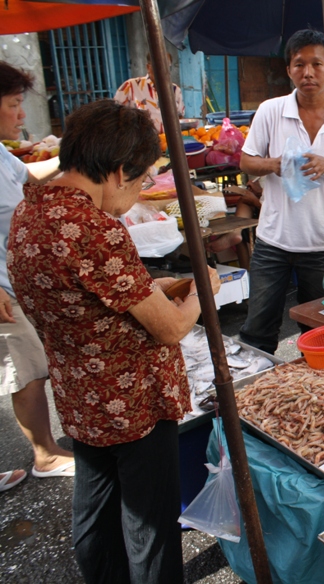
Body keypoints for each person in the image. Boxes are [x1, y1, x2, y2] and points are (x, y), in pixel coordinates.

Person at [7, 99, 221, 582]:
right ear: (120, 171)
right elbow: (168, 328)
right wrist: (205, 291)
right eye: (143, 179)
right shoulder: (93, 227)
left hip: (80, 396)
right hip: (133, 401)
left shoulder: (31, 210)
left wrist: (160, 289)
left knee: (96, 508)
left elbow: (90, 293)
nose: (141, 189)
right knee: (149, 526)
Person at [238, 29, 324, 354]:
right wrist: (274, 165)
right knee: (258, 328)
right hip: (272, 241)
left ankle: (317, 394)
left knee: (320, 330)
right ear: (288, 69)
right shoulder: (271, 110)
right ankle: (254, 393)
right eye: (299, 64)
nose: (307, 72)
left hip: (322, 244)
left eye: (316, 64)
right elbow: (246, 161)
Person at [0, 61, 73, 492]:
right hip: (2, 288)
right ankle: (45, 454)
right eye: (13, 105)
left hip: (15, 276)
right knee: (25, 367)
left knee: (30, 364)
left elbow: (29, 178)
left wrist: (74, 158)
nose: (21, 115)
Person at [114, 52, 185, 134]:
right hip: (140, 143)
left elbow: (180, 117)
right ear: (148, 67)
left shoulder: (175, 90)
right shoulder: (130, 86)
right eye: (158, 66)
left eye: (167, 66)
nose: (163, 70)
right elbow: (115, 116)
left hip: (167, 143)